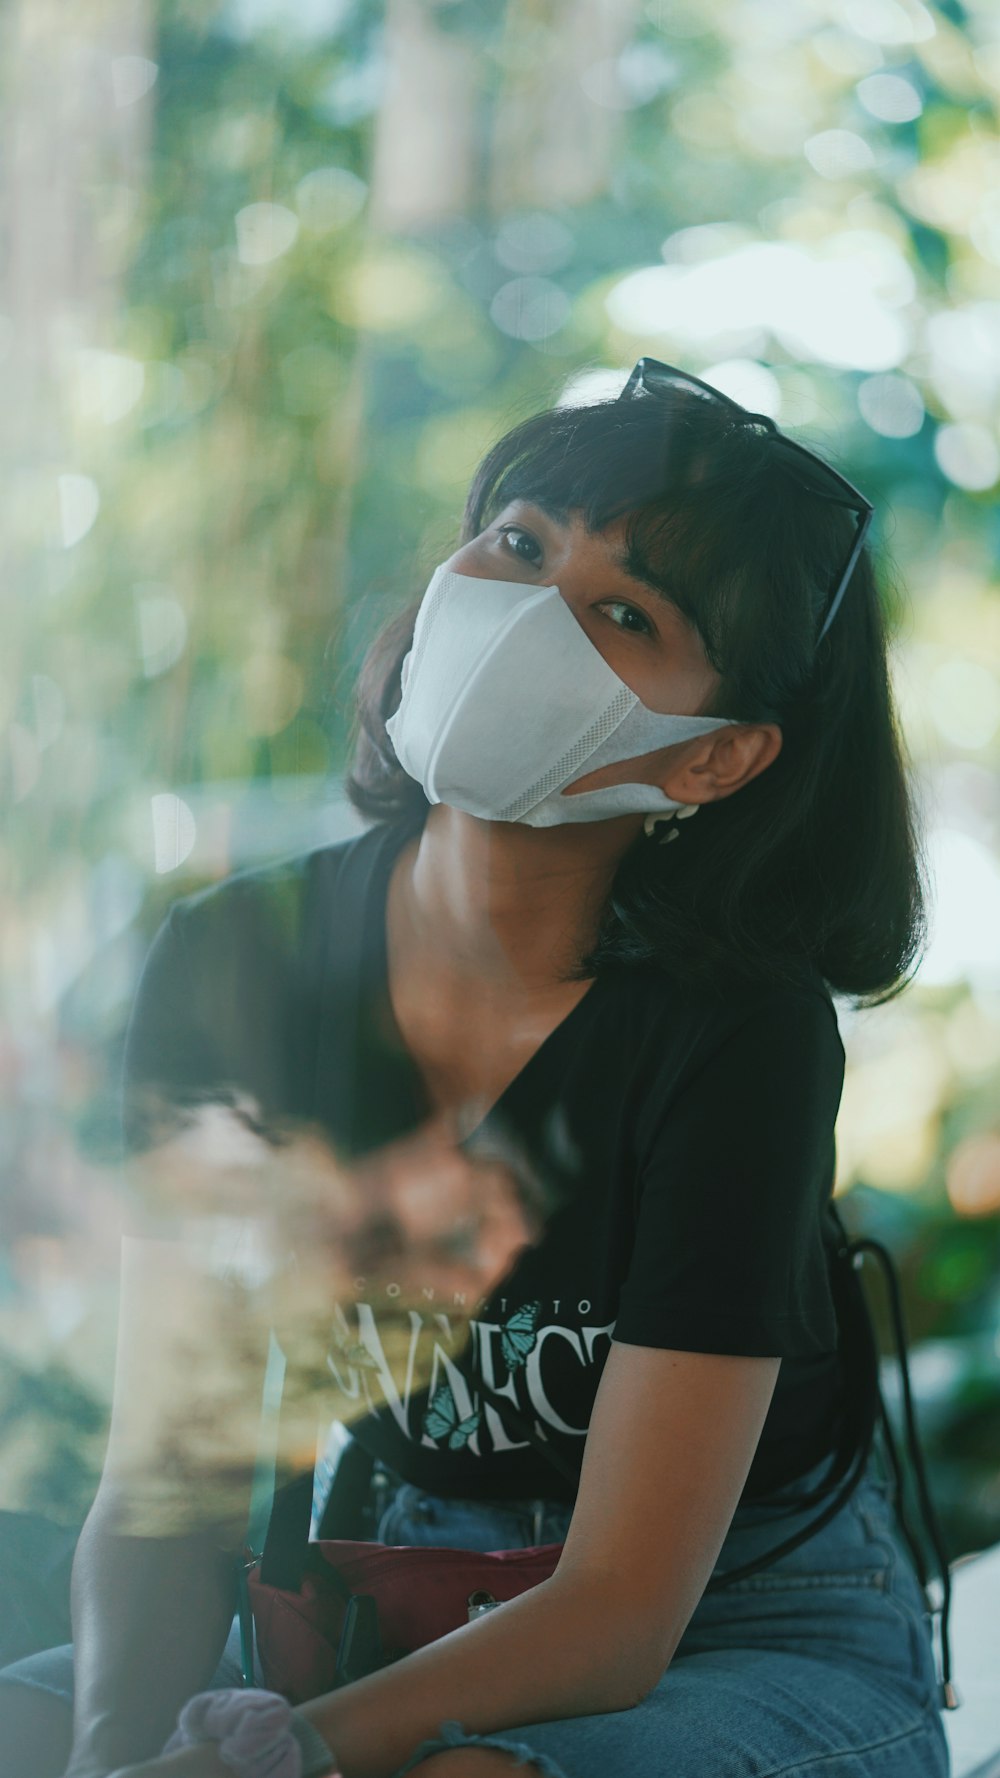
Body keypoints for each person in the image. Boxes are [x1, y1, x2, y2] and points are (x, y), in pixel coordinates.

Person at [0, 361, 951, 1778]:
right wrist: (119, 1758)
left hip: (738, 1624)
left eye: (624, 612)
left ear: (717, 759)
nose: (527, 609)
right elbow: (163, 1489)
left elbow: (624, 1611)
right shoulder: (228, 957)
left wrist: (280, 1755)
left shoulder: (740, 1032)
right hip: (364, 1596)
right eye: (519, 541)